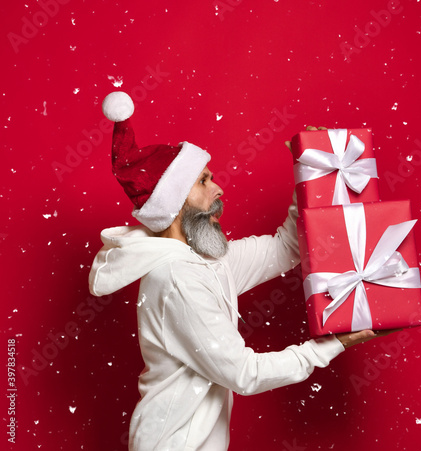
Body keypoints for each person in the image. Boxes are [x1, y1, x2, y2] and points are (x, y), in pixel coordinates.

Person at [89, 92, 396, 451]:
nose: (219, 189)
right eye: (203, 181)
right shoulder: (177, 279)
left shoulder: (206, 263)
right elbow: (244, 373)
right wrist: (333, 345)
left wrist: (312, 171)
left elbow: (286, 248)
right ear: (172, 204)